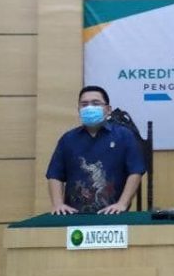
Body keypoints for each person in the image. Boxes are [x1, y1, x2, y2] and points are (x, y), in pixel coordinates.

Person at [46, 85, 146, 215]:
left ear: (108, 110)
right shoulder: (68, 139)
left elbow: (135, 171)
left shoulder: (124, 136)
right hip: (74, 215)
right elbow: (55, 175)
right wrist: (58, 204)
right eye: (84, 104)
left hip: (114, 214)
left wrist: (122, 204)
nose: (89, 107)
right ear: (79, 109)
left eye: (95, 103)